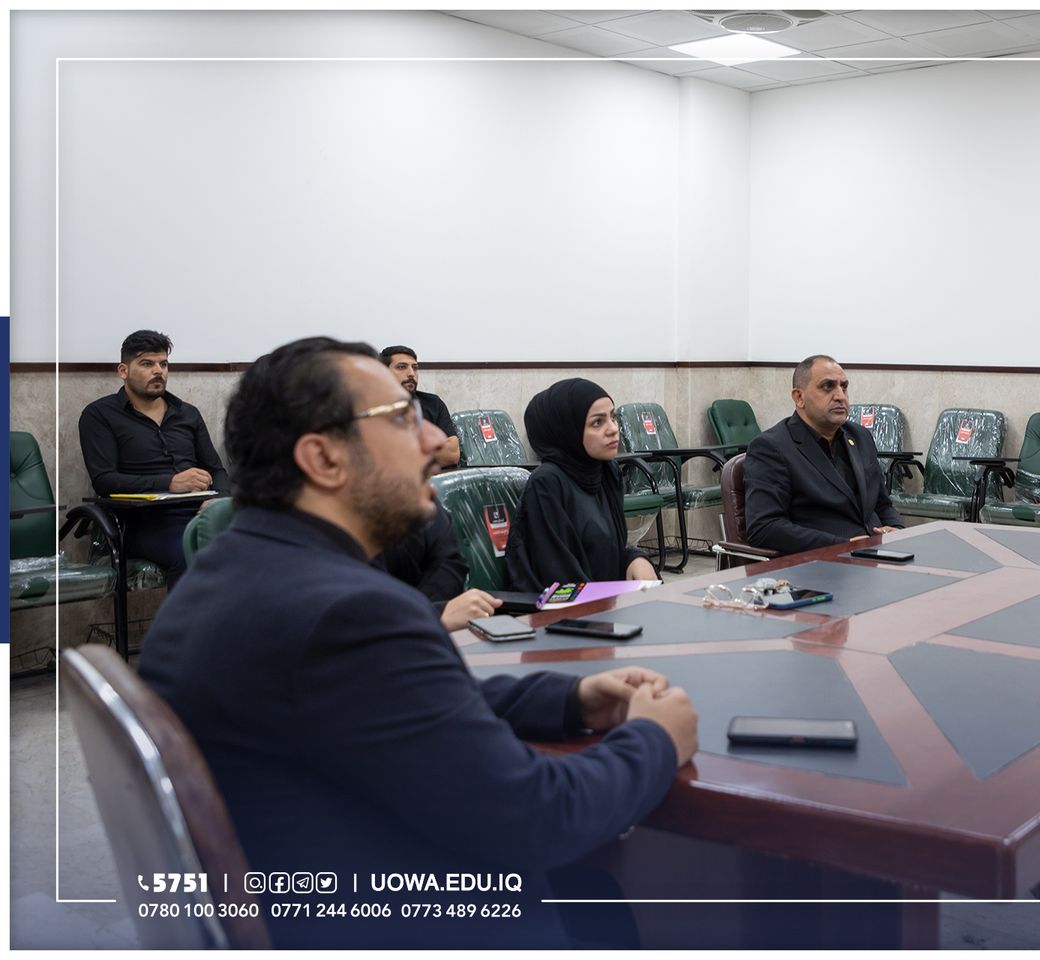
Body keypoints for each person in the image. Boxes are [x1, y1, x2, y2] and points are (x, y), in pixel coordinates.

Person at [137, 338, 697, 948]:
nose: (435, 440)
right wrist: (654, 739)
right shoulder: (352, 612)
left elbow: (399, 705)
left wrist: (569, 699)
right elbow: (536, 818)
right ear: (323, 458)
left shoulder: (228, 576)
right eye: (402, 420)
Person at [77, 329, 229, 585]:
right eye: (147, 364)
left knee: (262, 541)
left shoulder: (187, 413)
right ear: (123, 371)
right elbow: (104, 480)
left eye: (163, 364)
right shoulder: (100, 415)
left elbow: (217, 469)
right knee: (191, 551)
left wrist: (219, 499)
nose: (159, 371)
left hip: (199, 513)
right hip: (144, 522)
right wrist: (170, 483)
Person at [507, 379, 660, 593]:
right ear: (567, 430)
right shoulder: (548, 483)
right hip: (565, 607)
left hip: (606, 602)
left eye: (613, 417)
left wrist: (635, 558)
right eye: (597, 423)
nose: (613, 429)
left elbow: (607, 552)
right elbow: (557, 574)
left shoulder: (607, 471)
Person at [743, 355, 903, 556]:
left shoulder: (860, 436)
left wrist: (896, 529)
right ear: (799, 397)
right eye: (828, 387)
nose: (840, 396)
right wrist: (843, 545)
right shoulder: (771, 447)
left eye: (844, 387)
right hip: (821, 562)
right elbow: (764, 527)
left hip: (876, 556)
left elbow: (882, 503)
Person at [374, 501, 503, 631]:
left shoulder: (429, 507)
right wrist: (433, 616)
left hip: (430, 625)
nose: (431, 491)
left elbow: (451, 565)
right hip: (394, 631)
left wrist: (433, 613)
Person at [380, 344, 461, 466]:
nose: (411, 373)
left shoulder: (433, 403)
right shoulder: (371, 406)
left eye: (415, 368)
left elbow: (452, 453)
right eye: (401, 367)